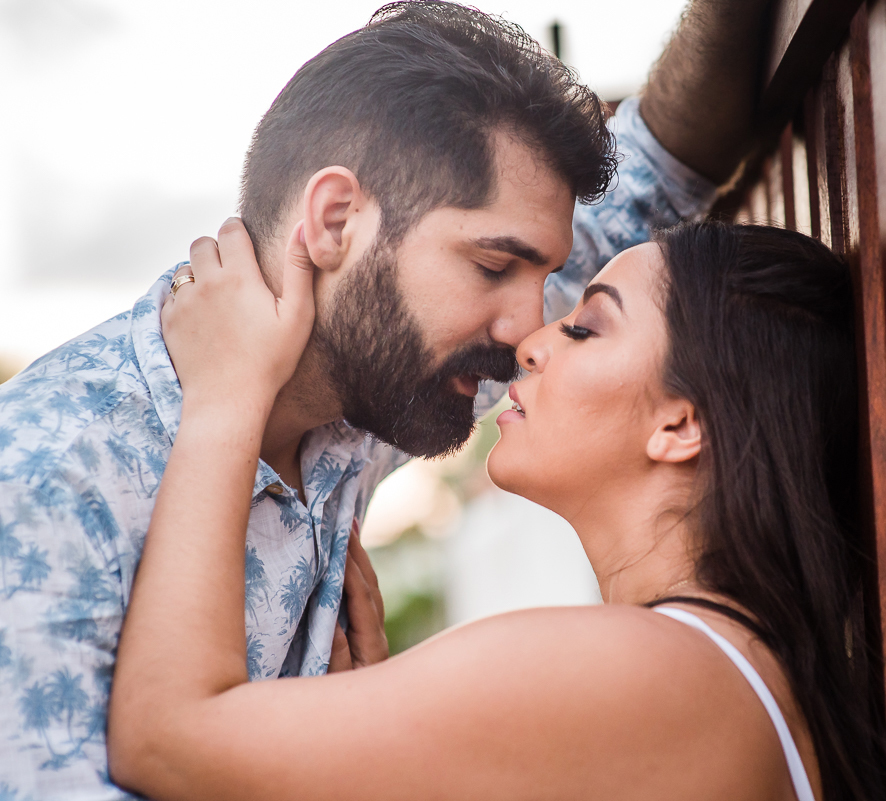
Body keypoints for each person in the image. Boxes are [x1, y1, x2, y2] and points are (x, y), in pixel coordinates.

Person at [0, 1, 774, 796]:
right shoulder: (39, 483)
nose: (527, 329)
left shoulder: (370, 398)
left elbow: (661, 170)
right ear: (336, 220)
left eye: (544, 278)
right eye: (492, 266)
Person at [105, 219, 886, 801]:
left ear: (680, 424)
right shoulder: (714, 667)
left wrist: (226, 391)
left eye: (586, 327)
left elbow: (162, 738)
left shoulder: (647, 668)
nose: (533, 343)